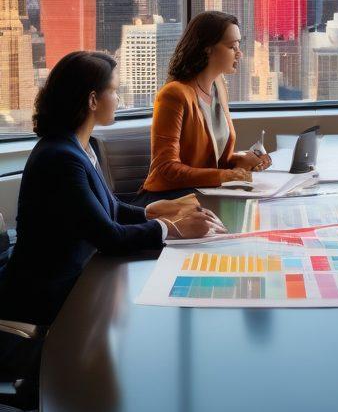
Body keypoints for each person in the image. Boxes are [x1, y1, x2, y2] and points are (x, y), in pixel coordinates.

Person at [0, 52, 223, 327]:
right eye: (115, 91)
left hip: (80, 280)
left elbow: (111, 209)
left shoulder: (83, 146)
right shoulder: (60, 158)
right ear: (92, 100)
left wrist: (153, 212)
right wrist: (173, 228)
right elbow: (109, 237)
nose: (119, 100)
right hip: (47, 300)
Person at [140, 11, 271, 199]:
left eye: (239, 45)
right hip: (173, 200)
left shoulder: (219, 86)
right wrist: (226, 176)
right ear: (208, 48)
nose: (239, 53)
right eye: (232, 46)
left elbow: (210, 160)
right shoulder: (174, 94)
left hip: (206, 194)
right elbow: (164, 169)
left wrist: (241, 159)